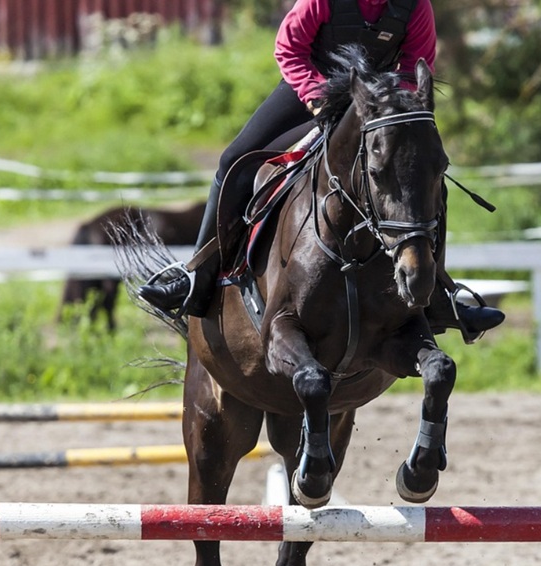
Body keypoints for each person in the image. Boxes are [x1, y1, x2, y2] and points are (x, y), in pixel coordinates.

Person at [137, 0, 505, 340]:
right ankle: (197, 273)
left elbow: (414, 66)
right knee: (234, 158)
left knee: (424, 175)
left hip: (374, 107)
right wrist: (318, 97)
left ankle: (440, 291)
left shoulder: (415, 4)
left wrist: (389, 112)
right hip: (309, 90)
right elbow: (289, 48)